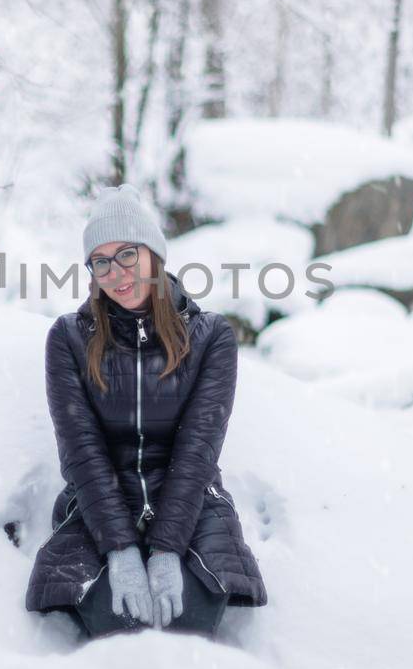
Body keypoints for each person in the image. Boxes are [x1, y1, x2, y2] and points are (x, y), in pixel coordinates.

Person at [24, 183, 268, 641]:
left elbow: (197, 451)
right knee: (120, 627)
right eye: (101, 261)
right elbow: (82, 453)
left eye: (128, 254)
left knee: (186, 624)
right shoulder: (69, 339)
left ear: (155, 255)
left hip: (190, 503)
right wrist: (120, 550)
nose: (116, 272)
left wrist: (166, 549)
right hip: (98, 505)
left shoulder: (211, 337)